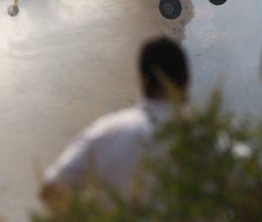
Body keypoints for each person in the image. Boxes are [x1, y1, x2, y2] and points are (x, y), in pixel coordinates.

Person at [40, 37, 188, 209]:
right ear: (186, 81)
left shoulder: (106, 132)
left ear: (141, 81)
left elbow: (50, 189)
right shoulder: (211, 139)